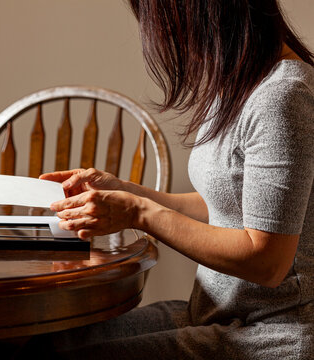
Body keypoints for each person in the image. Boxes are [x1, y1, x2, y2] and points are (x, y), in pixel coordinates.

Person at [20, 0, 314, 359]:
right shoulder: (242, 84)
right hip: (211, 314)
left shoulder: (282, 97)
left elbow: (267, 262)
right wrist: (125, 191)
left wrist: (139, 213)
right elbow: (222, 204)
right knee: (34, 344)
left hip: (271, 334)